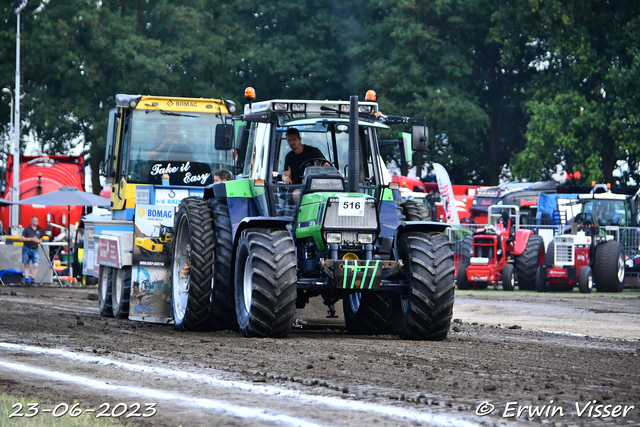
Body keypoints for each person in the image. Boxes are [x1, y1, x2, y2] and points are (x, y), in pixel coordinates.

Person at [20, 216, 44, 285]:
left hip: (35, 249)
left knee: (35, 265)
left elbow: (41, 238)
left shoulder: (40, 229)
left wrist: (38, 241)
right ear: (31, 221)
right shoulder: (26, 229)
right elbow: (21, 238)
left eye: (37, 220)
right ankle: (27, 280)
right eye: (34, 220)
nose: (36, 221)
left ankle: (32, 279)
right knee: (26, 265)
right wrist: (30, 239)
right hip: (26, 248)